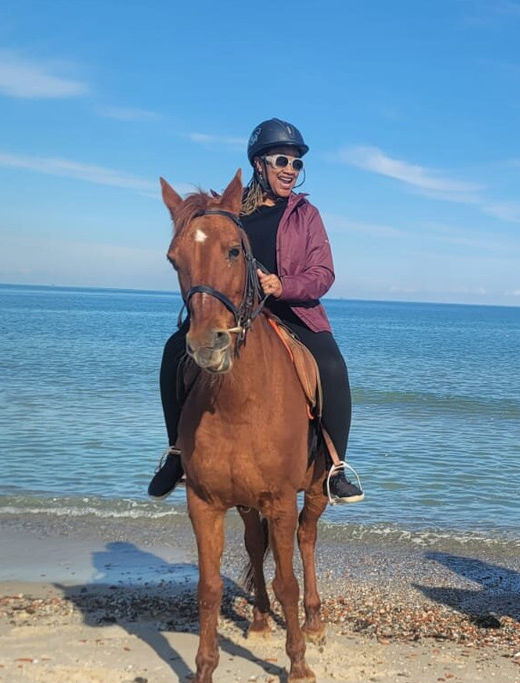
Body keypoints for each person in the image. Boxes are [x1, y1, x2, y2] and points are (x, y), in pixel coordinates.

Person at [148, 117, 364, 504]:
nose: (290, 171)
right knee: (172, 353)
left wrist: (285, 285)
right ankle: (177, 454)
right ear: (259, 164)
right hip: (235, 313)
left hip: (292, 313)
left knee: (332, 367)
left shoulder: (306, 215)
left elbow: (323, 273)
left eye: (297, 164)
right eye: (282, 161)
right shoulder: (231, 209)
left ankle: (335, 466)